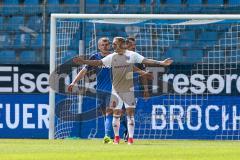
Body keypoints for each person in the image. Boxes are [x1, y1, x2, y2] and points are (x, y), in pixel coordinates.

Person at [73, 37, 173, 145]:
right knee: (115, 115)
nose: (113, 46)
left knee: (130, 115)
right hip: (115, 92)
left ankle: (130, 138)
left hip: (129, 91)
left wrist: (161, 63)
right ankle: (116, 138)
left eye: (115, 44)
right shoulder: (112, 57)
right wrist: (83, 61)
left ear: (123, 44)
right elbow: (98, 62)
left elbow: (146, 60)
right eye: (114, 44)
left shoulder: (132, 55)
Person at [68, 37, 114, 144]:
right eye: (103, 44)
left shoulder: (114, 56)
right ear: (99, 46)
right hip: (100, 90)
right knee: (106, 115)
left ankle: (108, 136)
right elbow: (84, 71)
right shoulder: (95, 57)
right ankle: (111, 133)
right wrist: (73, 82)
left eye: (107, 44)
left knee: (109, 113)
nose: (105, 46)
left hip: (113, 89)